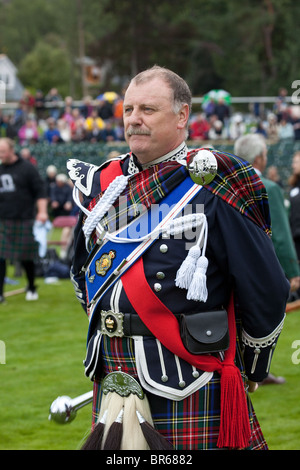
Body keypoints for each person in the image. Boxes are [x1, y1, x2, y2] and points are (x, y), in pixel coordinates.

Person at [68, 66, 289, 450]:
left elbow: (264, 286)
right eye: (129, 109)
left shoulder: (217, 181)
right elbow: (83, 269)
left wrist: (252, 366)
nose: (134, 119)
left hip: (189, 375)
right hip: (113, 371)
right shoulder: (106, 185)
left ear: (182, 115)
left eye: (148, 110)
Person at [234, 134, 300, 384]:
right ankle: (258, 370)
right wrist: (292, 269)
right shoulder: (268, 187)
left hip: (228, 267)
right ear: (260, 158)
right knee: (263, 318)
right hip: (260, 268)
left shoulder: (219, 184)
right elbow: (280, 236)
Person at [0, 138, 48, 302]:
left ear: (12, 150)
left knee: (27, 256)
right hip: (3, 220)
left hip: (24, 219)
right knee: (0, 257)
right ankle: (0, 294)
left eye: (3, 151)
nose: (0, 155)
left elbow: (40, 192)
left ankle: (32, 287)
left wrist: (42, 211)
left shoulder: (27, 168)